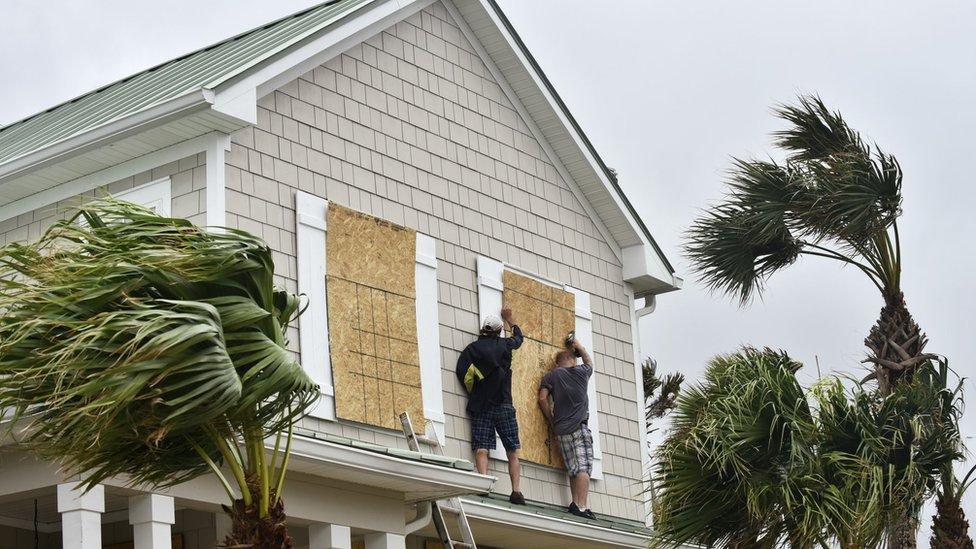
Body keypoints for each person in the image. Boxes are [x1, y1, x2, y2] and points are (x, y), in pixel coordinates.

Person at [455, 307, 526, 505]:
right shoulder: (505, 344)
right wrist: (511, 320)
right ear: (497, 331)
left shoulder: (471, 350)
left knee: (481, 447)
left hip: (482, 405)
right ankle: (516, 492)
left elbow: (464, 374)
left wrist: (475, 391)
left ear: (483, 330)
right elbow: (519, 339)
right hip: (504, 403)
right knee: (512, 449)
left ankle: (484, 485)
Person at [537, 338, 596, 519]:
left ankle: (574, 503)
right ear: (573, 361)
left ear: (557, 363)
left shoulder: (551, 375)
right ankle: (581, 506)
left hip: (561, 430)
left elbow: (542, 399)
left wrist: (552, 420)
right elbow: (589, 362)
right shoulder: (581, 371)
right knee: (583, 468)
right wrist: (580, 347)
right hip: (579, 427)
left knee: (573, 468)